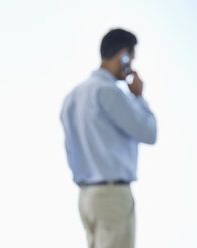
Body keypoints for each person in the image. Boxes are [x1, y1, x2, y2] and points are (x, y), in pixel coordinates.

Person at [60, 28, 157, 248]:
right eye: (130, 59)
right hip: (112, 197)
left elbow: (70, 151)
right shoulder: (108, 92)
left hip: (87, 197)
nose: (131, 65)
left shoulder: (73, 96)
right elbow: (149, 133)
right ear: (123, 55)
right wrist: (139, 97)